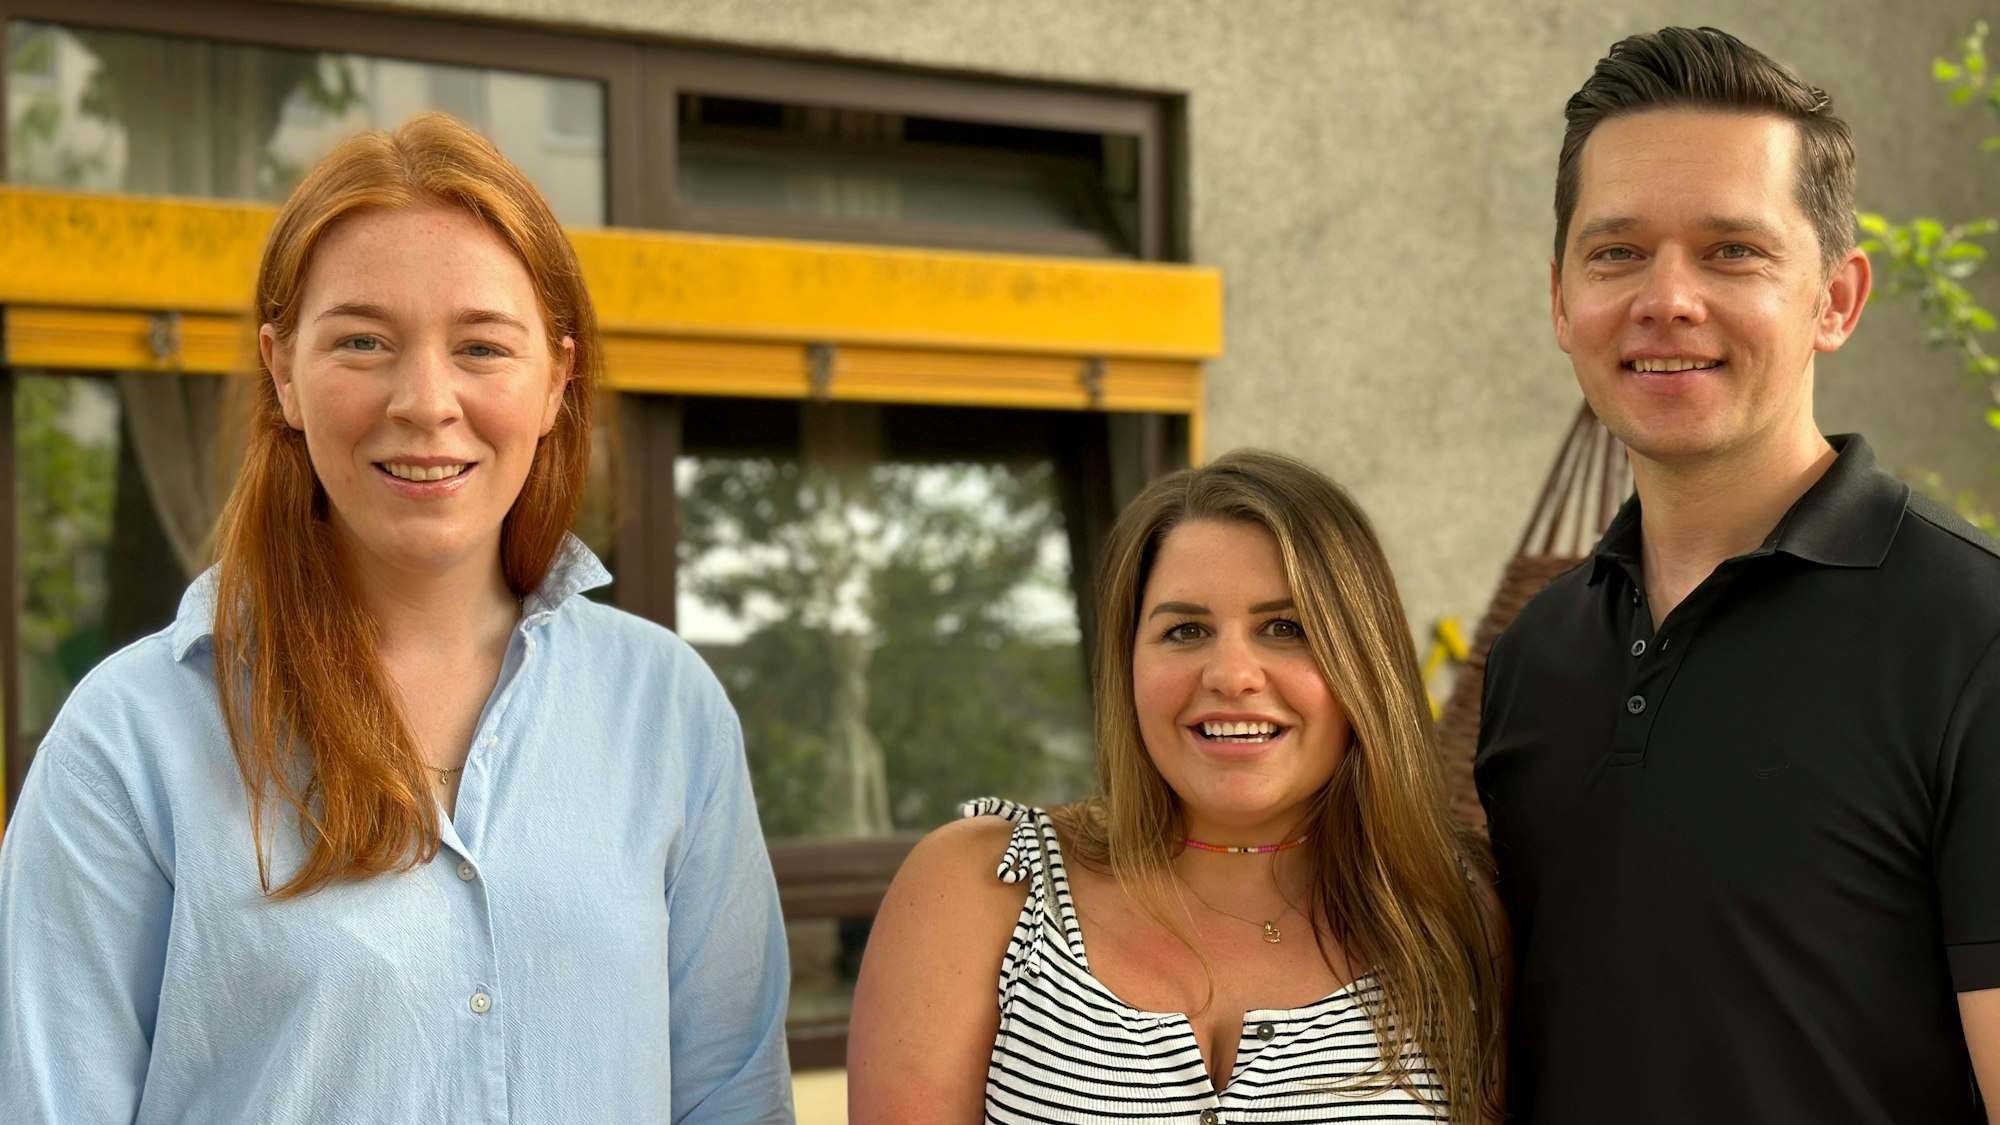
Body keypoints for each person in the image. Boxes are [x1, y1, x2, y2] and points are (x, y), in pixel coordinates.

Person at [0, 114, 792, 1123]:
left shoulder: (665, 707)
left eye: (480, 346)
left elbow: (729, 1097)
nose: (425, 401)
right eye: (364, 341)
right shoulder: (130, 739)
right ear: (281, 371)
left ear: (556, 379)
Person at [1475, 26, 2000, 1124]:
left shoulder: (1973, 638)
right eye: (1615, 252)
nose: (1666, 299)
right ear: (1559, 301)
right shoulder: (1534, 659)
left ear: (1835, 301)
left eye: (1731, 251)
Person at [849, 449, 1504, 1124]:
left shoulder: (1455, 914)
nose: (1231, 674)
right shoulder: (983, 888)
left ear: (1366, 661)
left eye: (1286, 628)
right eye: (1185, 629)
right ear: (1128, 664)